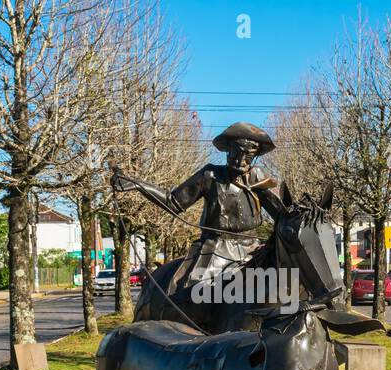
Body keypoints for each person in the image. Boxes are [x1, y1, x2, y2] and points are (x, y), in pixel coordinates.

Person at [114, 121, 285, 285]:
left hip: (253, 249)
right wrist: (137, 184)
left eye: (248, 156)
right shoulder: (209, 176)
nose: (240, 161)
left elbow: (284, 215)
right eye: (236, 153)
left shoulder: (259, 178)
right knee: (197, 292)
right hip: (215, 249)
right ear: (228, 151)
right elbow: (173, 201)